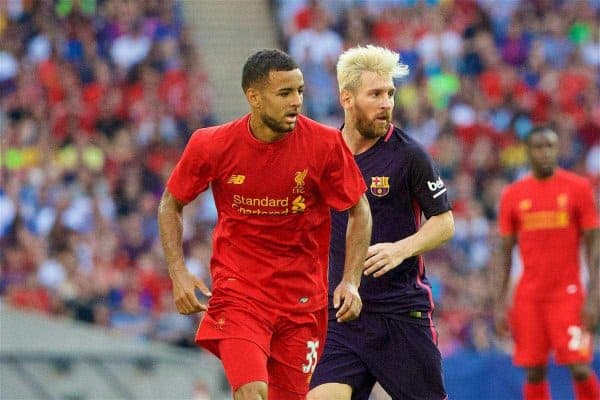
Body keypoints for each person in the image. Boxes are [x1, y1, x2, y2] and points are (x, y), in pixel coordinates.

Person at [157, 49, 372, 400]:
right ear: (253, 97)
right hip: (239, 292)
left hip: (302, 301)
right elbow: (171, 203)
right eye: (285, 93)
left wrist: (351, 280)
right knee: (252, 390)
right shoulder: (211, 144)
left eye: (300, 91)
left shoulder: (325, 144)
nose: (297, 101)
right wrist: (178, 273)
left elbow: (359, 210)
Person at [308, 45, 455, 400]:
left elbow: (444, 221)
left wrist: (400, 250)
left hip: (400, 312)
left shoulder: (409, 155)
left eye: (389, 93)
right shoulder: (322, 154)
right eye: (375, 94)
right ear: (347, 98)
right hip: (340, 314)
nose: (387, 103)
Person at [493, 126, 600, 400]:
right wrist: (500, 302)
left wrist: (595, 295)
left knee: (579, 365)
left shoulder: (578, 189)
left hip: (569, 295)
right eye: (539, 147)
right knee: (534, 370)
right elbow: (504, 251)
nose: (545, 152)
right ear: (527, 152)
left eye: (550, 146)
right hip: (529, 297)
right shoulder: (514, 195)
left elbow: (594, 244)